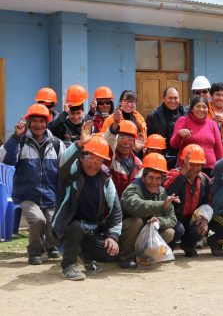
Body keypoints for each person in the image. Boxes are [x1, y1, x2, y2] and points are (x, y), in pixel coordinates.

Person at [52, 125, 121, 280]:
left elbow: (115, 210)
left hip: (91, 228)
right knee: (76, 227)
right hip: (66, 226)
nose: (93, 164)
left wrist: (113, 237)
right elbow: (63, 163)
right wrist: (78, 144)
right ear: (82, 156)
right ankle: (68, 265)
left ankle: (85, 256)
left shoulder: (106, 179)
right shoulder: (72, 171)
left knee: (110, 253)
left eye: (98, 160)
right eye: (90, 158)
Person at [0, 104, 64, 264]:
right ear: (28, 122)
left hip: (50, 194)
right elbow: (6, 159)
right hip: (27, 194)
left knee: (53, 220)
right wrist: (15, 137)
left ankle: (50, 247)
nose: (38, 125)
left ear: (47, 122)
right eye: (34, 121)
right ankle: (34, 252)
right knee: (37, 220)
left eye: (42, 121)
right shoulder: (20, 141)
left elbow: (65, 165)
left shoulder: (56, 144)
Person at [118, 152, 178, 269]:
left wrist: (159, 221)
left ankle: (145, 256)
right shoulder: (133, 188)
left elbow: (172, 218)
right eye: (151, 177)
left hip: (147, 233)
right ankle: (125, 257)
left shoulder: (161, 191)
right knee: (135, 222)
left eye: (158, 179)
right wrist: (162, 204)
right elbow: (135, 206)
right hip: (127, 233)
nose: (154, 182)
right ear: (143, 177)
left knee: (170, 232)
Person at [163, 144, 212, 257]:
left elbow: (207, 203)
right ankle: (169, 247)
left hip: (191, 218)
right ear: (184, 162)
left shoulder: (204, 180)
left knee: (200, 228)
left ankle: (188, 245)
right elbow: (167, 194)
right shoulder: (173, 175)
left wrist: (205, 219)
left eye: (198, 165)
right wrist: (182, 175)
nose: (195, 169)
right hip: (172, 217)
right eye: (192, 164)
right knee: (178, 230)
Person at [170, 96, 223, 175]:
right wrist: (179, 134)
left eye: (204, 107)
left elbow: (219, 150)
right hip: (188, 168)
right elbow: (174, 144)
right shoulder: (183, 121)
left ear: (208, 110)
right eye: (198, 106)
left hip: (209, 169)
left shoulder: (212, 124)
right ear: (191, 109)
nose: (201, 109)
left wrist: (221, 167)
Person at [145, 86, 187, 169]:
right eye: (170, 98)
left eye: (176, 98)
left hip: (180, 158)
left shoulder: (186, 115)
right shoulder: (153, 116)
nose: (173, 101)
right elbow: (147, 139)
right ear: (163, 98)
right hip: (159, 158)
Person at [102, 120, 142, 198]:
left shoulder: (138, 162)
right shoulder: (110, 159)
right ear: (116, 139)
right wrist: (113, 129)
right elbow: (109, 143)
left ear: (134, 142)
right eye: (122, 138)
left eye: (130, 139)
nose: (126, 143)